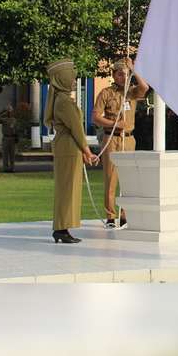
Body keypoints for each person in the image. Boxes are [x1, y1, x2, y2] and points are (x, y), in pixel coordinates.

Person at [45, 59, 99, 243]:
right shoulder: (65, 102)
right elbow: (76, 128)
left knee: (65, 188)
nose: (74, 80)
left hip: (66, 146)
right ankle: (62, 229)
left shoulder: (60, 99)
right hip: (69, 146)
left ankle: (62, 228)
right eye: (72, 77)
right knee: (68, 189)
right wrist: (87, 151)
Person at [92, 57, 149, 229]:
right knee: (111, 178)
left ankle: (124, 215)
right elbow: (95, 117)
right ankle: (111, 216)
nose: (123, 77)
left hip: (129, 139)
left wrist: (134, 69)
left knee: (128, 179)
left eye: (126, 74)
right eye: (120, 74)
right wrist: (114, 124)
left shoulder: (131, 93)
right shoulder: (106, 93)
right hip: (112, 139)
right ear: (114, 75)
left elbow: (144, 88)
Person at [0, 104, 18, 173]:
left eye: (10, 111)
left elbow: (16, 130)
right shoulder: (4, 119)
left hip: (12, 138)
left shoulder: (14, 120)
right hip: (5, 138)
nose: (10, 112)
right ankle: (5, 168)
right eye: (8, 111)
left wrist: (17, 138)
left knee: (12, 155)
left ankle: (12, 168)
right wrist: (3, 111)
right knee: (5, 154)